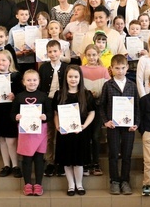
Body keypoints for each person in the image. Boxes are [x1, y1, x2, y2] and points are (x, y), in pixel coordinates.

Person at [100, 54, 139, 195]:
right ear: (111, 68)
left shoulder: (132, 86)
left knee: (127, 155)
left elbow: (137, 107)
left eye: (123, 68)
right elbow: (101, 106)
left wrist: (136, 123)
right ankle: (115, 181)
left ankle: (125, 181)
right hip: (113, 127)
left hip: (128, 127)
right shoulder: (108, 85)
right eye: (117, 68)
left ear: (127, 67)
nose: (120, 71)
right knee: (113, 155)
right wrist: (106, 121)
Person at [53, 65, 95, 196]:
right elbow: (56, 114)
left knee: (78, 161)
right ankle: (71, 185)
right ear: (65, 78)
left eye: (76, 77)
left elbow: (92, 112)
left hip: (80, 133)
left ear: (80, 78)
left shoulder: (86, 94)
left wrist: (84, 126)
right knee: (67, 160)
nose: (73, 79)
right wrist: (57, 126)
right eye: (70, 76)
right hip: (64, 133)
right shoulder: (59, 94)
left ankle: (79, 184)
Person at [11, 69, 53, 196]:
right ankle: (28, 184)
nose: (32, 82)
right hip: (25, 133)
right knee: (27, 159)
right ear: (24, 82)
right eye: (28, 80)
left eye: (34, 80)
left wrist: (45, 116)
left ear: (39, 81)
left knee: (39, 158)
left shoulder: (43, 96)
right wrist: (16, 117)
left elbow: (50, 113)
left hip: (40, 132)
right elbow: (12, 113)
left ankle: (38, 184)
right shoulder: (19, 97)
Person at [0, 50, 23, 178]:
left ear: (10, 61)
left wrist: (15, 96)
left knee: (11, 140)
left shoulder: (17, 76)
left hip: (10, 111)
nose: (1, 62)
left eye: (3, 60)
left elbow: (22, 94)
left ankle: (15, 165)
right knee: (2, 139)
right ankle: (6, 165)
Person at [38, 40, 68, 177]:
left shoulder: (67, 67)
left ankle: (61, 162)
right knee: (49, 134)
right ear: (47, 53)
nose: (53, 54)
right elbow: (40, 87)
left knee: (62, 133)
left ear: (60, 52)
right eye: (50, 51)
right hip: (48, 103)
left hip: (63, 103)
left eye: (55, 51)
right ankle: (49, 161)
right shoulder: (43, 68)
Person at [80, 44, 110, 176]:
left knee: (96, 135)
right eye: (89, 55)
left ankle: (96, 163)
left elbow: (108, 88)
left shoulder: (104, 70)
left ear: (98, 55)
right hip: (84, 107)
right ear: (85, 56)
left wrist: (98, 93)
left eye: (94, 55)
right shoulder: (80, 69)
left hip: (98, 106)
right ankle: (86, 163)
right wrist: (87, 94)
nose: (91, 57)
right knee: (85, 135)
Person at [8, 7, 35, 72]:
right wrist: (16, 53)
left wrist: (32, 50)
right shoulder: (13, 29)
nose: (24, 16)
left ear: (28, 16)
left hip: (30, 60)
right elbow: (9, 46)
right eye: (22, 14)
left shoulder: (33, 29)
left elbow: (35, 43)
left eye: (26, 14)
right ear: (17, 16)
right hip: (17, 60)